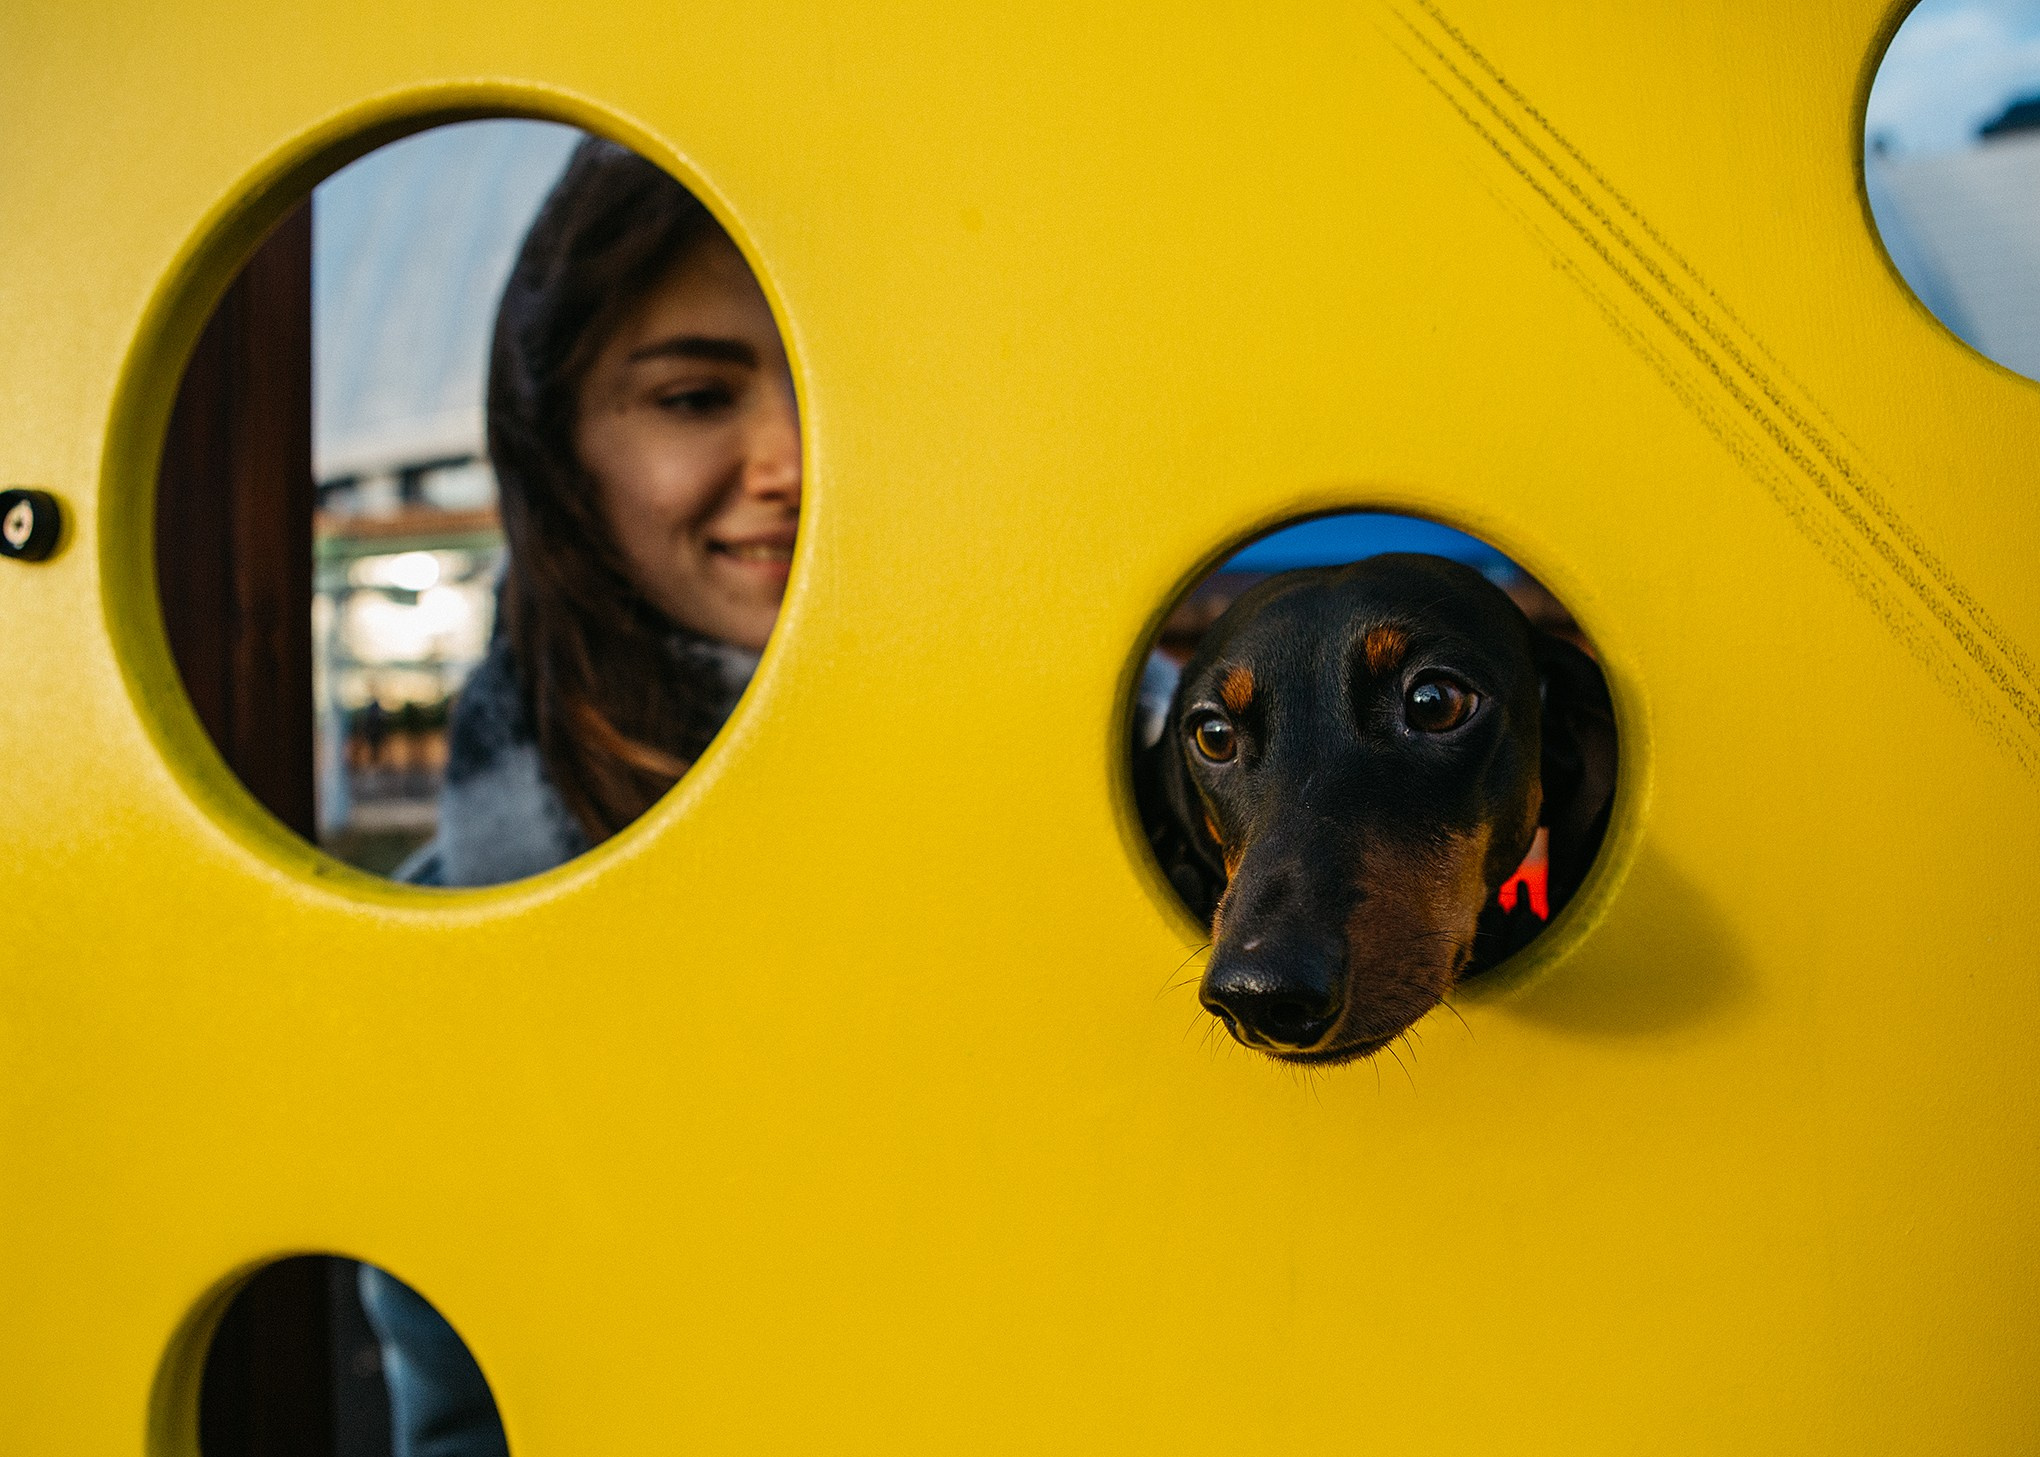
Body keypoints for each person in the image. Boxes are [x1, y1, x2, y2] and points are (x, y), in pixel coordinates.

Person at [358, 133, 801, 1456]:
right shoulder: (453, 940)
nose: (790, 458)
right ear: (557, 447)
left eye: (843, 388)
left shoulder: (1168, 798)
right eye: (692, 397)